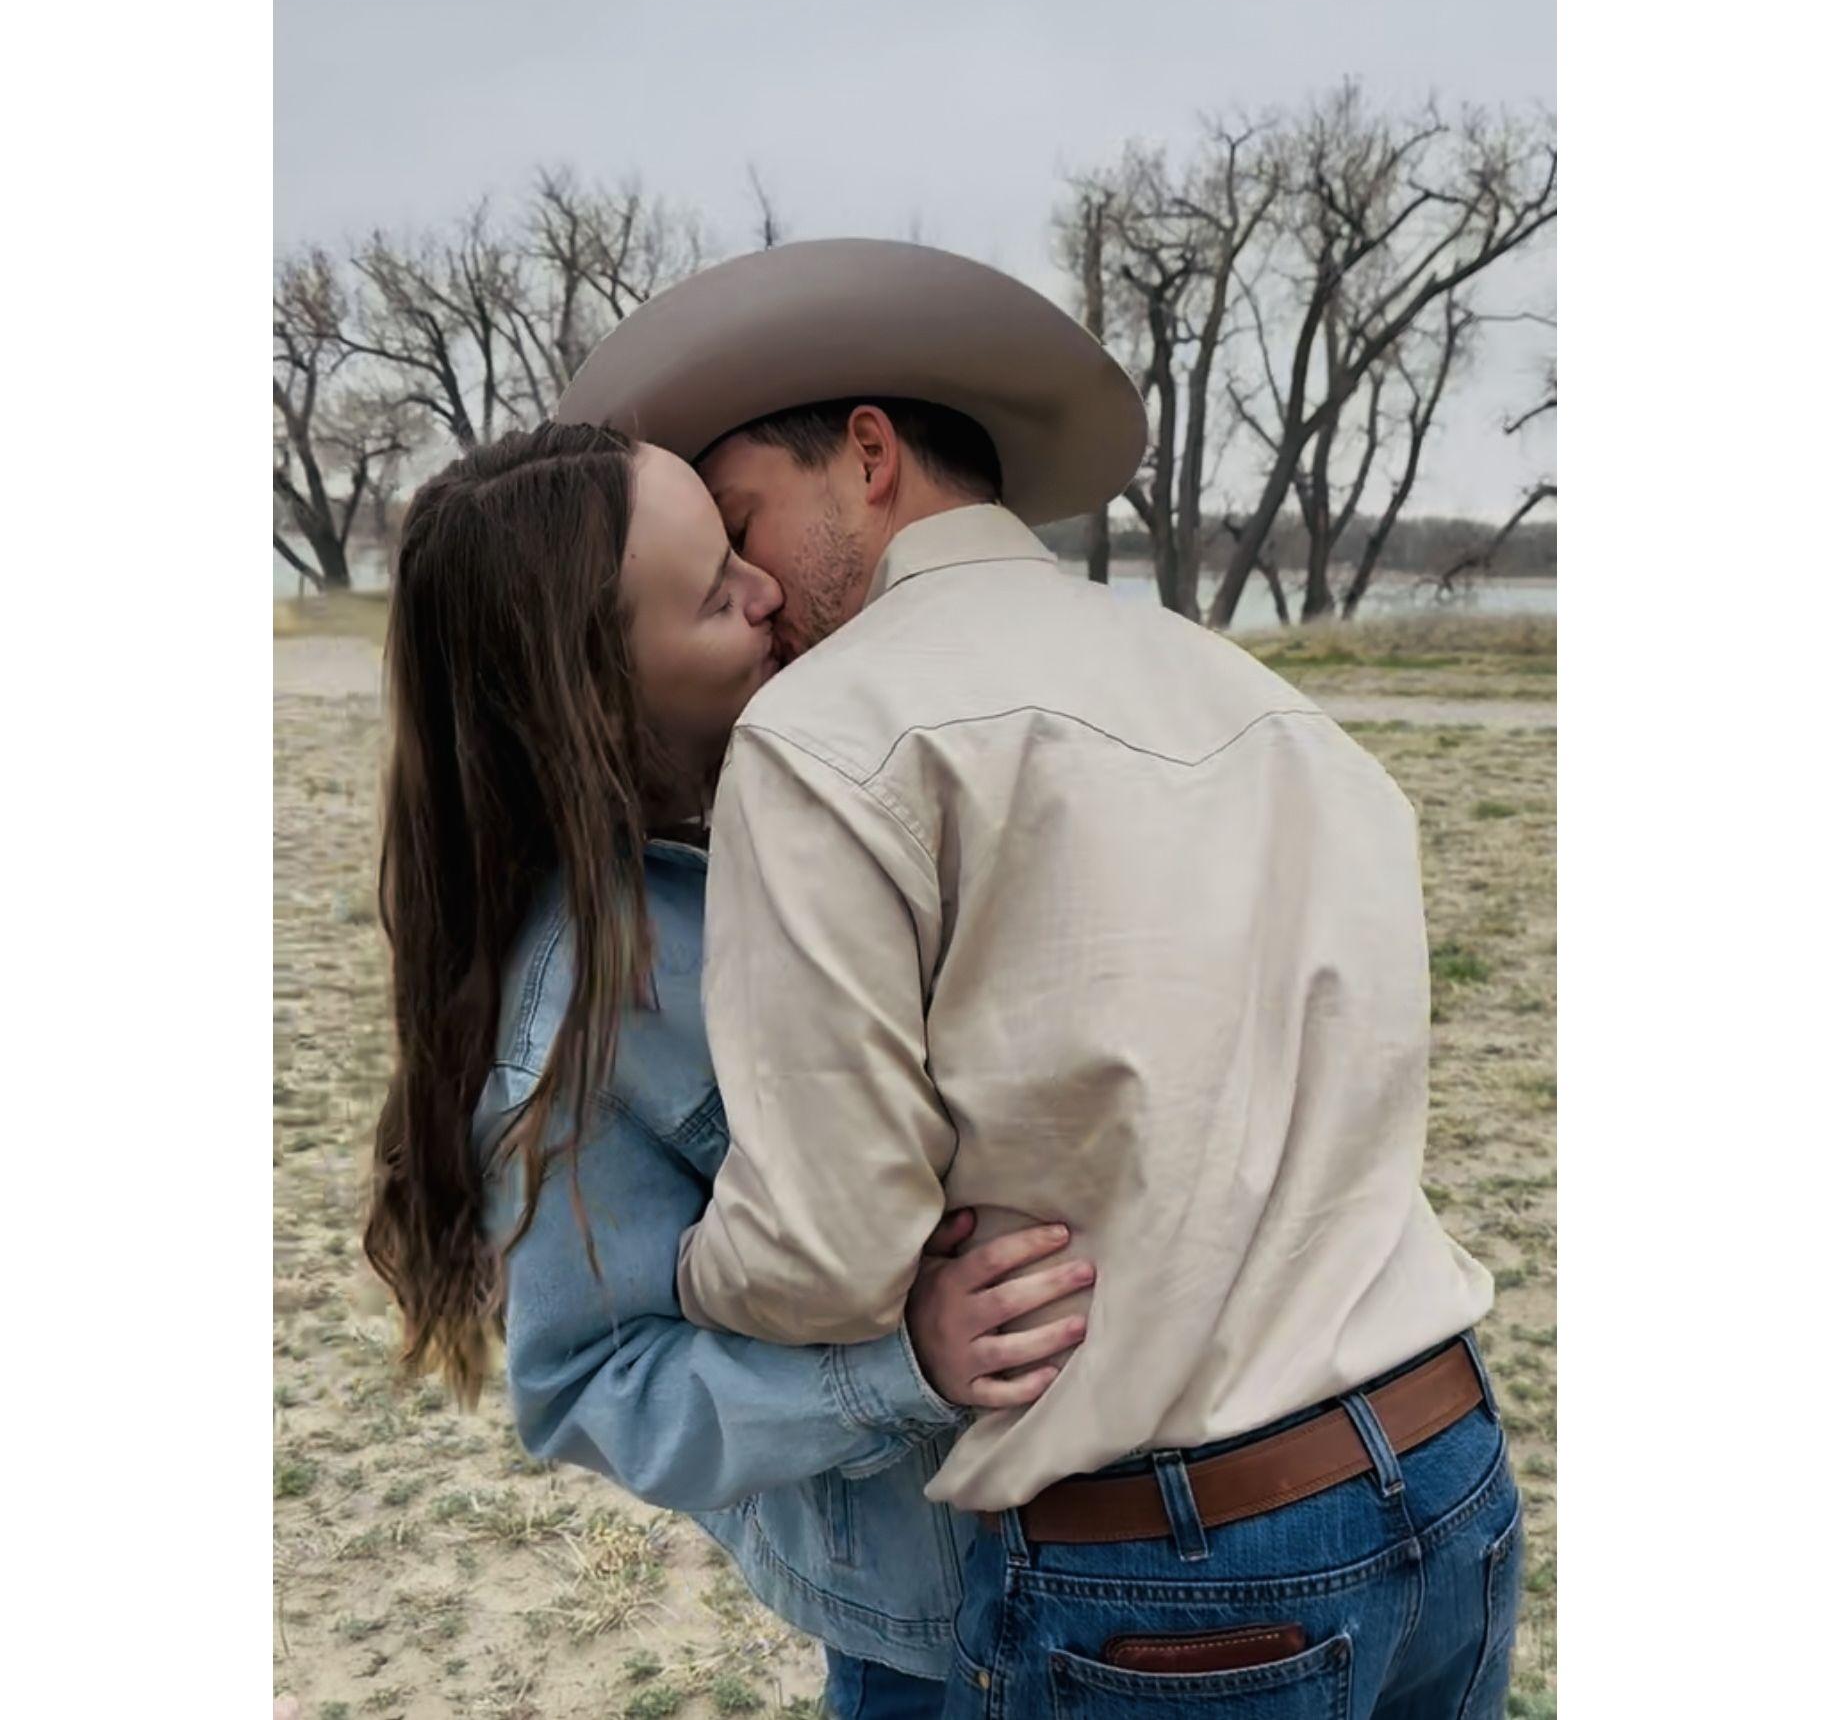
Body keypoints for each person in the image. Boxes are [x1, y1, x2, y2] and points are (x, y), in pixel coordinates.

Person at [552, 238, 1524, 1717]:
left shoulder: (826, 732)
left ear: (866, 453)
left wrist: (676, 1271)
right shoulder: (1269, 703)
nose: (748, 593)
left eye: (743, 526)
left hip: (1178, 1562)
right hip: (1449, 1468)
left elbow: (829, 1249)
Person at [360, 423, 1096, 1718]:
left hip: (1083, 1555)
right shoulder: (585, 998)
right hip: (938, 1627)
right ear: (594, 697)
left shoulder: (787, 808)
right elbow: (590, 1382)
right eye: (714, 595)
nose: (766, 590)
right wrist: (900, 1363)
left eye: (737, 545)